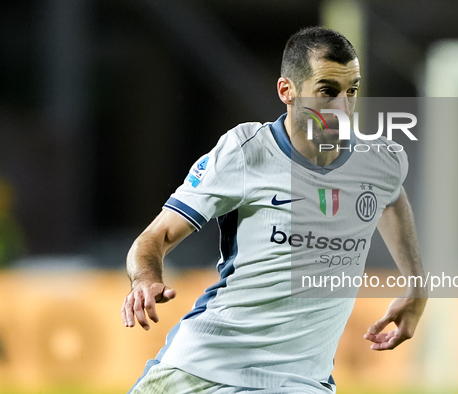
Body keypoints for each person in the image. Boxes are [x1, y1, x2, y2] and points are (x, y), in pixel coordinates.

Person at [121, 26, 427, 394]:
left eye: (352, 92)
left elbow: (391, 197)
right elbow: (157, 236)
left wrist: (416, 282)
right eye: (327, 92)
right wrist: (145, 279)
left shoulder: (380, 161)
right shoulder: (246, 152)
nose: (343, 108)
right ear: (287, 91)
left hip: (299, 382)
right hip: (202, 369)